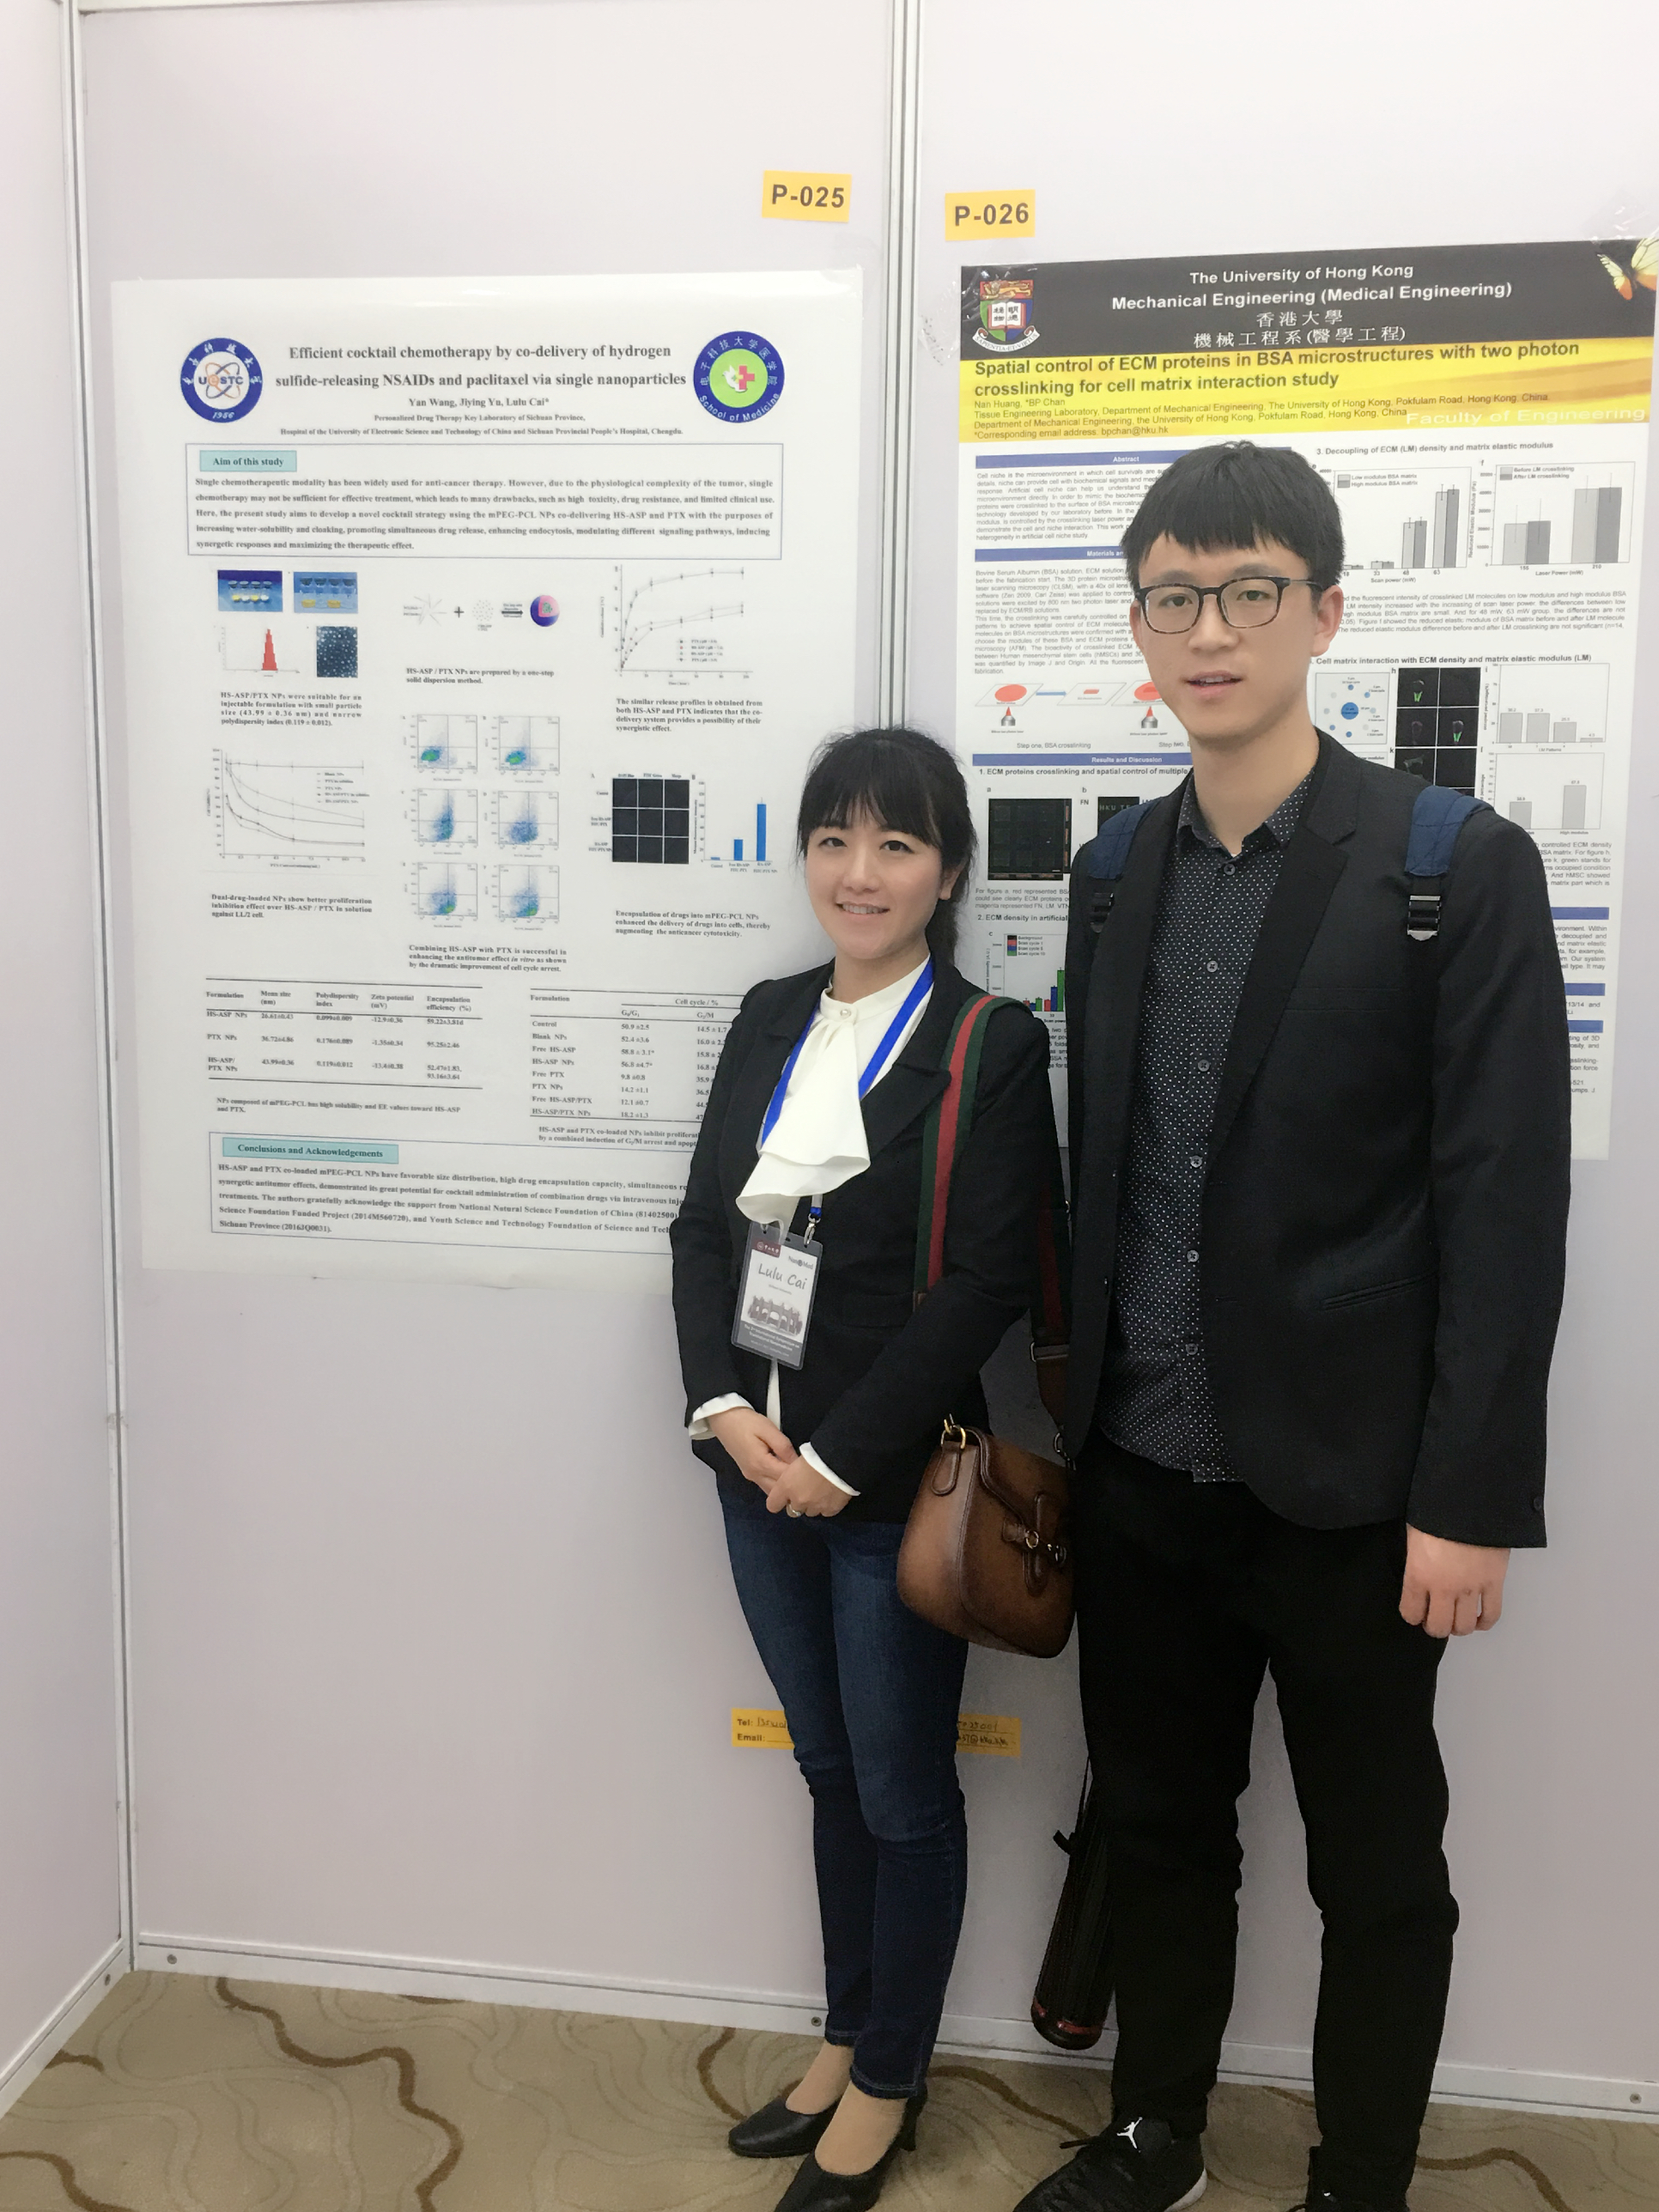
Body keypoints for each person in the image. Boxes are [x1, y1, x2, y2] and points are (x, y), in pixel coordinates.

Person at [1014, 443, 1571, 2212]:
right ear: (1138, 627)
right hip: (1140, 1472)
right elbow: (1108, 1168)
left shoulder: (1451, 864)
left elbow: (1504, 1204)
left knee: (1380, 1870)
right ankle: (1157, 2130)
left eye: (1250, 590)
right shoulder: (1115, 872)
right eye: (1174, 597)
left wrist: (1470, 1496)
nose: (1211, 631)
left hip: (1355, 1491)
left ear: (1324, 612)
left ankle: (1361, 2180)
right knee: (1164, 1827)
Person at [671, 727, 1057, 2212]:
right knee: (826, 1769)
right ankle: (844, 2033)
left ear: (947, 872)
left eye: (896, 844)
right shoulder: (771, 1016)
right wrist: (722, 1407)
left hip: (886, 1491)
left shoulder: (988, 1045)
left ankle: (891, 2077)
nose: (860, 872)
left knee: (902, 1793)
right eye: (835, 839)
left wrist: (840, 1453)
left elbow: (985, 1284)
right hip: (751, 1470)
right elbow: (703, 1230)